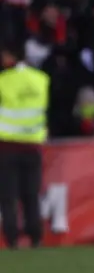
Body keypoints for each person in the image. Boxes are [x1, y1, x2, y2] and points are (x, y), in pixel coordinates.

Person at [0, 43, 50, 249]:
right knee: (31, 195)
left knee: (9, 196)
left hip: (7, 147)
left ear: (11, 57)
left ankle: (12, 239)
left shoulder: (3, 81)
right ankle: (35, 237)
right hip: (33, 146)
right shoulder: (41, 80)